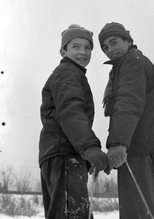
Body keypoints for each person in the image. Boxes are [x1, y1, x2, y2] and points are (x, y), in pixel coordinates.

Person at [98, 22, 154, 219]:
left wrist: (117, 143)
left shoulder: (133, 62)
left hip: (142, 148)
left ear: (128, 40)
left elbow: (128, 102)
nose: (110, 50)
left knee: (140, 213)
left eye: (114, 43)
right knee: (145, 212)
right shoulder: (127, 64)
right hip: (143, 146)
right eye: (105, 47)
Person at [39, 24, 109, 219]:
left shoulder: (72, 73)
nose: (83, 52)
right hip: (64, 154)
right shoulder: (68, 73)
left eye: (88, 48)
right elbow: (70, 111)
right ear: (63, 51)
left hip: (59, 153)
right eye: (76, 47)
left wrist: (85, 155)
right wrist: (89, 148)